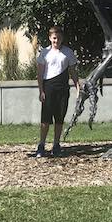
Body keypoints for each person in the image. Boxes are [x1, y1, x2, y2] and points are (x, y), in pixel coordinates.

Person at [36, 26, 80, 157]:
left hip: (62, 87)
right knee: (45, 119)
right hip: (49, 86)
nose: (57, 40)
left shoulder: (68, 52)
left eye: (59, 38)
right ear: (50, 38)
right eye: (54, 38)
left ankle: (56, 144)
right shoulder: (45, 52)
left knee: (59, 118)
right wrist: (41, 90)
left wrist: (78, 86)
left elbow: (72, 72)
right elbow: (39, 73)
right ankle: (41, 145)